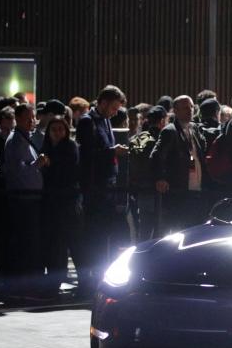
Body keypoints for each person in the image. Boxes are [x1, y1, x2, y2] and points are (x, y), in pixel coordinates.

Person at [76, 85, 128, 297]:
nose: (115, 113)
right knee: (94, 236)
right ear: (104, 103)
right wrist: (111, 152)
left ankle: (99, 276)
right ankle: (89, 279)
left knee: (105, 235)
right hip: (95, 187)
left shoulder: (105, 120)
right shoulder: (88, 121)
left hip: (107, 186)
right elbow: (88, 155)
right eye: (114, 108)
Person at [2, 103, 45, 299]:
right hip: (23, 199)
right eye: (28, 118)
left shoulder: (26, 139)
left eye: (33, 117)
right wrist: (37, 164)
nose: (32, 121)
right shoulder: (16, 141)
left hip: (31, 198)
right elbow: (17, 171)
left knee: (30, 243)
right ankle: (23, 285)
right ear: (18, 119)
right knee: (25, 243)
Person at [151, 95, 208, 233]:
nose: (189, 111)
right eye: (185, 108)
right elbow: (156, 156)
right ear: (175, 111)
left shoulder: (194, 128)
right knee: (176, 230)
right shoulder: (170, 131)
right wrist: (160, 178)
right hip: (179, 192)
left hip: (195, 190)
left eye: (191, 107)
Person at [40, 116, 81, 298]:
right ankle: (54, 281)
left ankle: (84, 281)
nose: (57, 133)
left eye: (60, 129)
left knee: (73, 242)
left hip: (67, 201)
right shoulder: (45, 148)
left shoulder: (70, 147)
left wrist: (51, 164)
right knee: (53, 245)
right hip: (50, 203)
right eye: (53, 129)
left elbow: (70, 171)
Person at [127, 106, 168, 240]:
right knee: (161, 234)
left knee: (144, 231)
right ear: (162, 120)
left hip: (142, 191)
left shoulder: (138, 138)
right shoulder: (163, 138)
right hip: (159, 193)